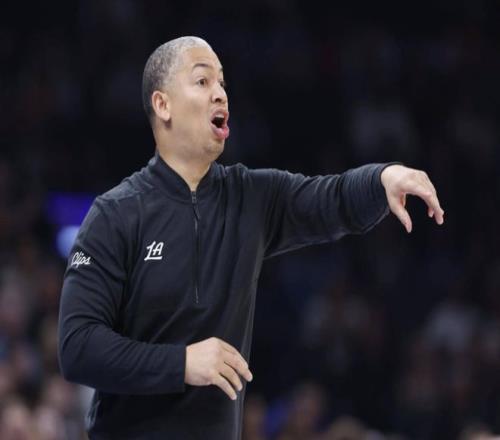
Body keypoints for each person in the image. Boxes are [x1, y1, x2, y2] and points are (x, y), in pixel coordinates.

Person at [57, 36, 444, 439]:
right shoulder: (115, 214)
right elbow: (78, 346)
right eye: (203, 81)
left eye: (222, 82)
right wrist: (181, 363)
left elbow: (332, 198)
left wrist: (383, 178)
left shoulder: (252, 197)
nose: (220, 93)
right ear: (163, 105)